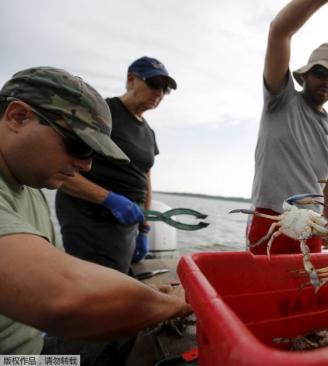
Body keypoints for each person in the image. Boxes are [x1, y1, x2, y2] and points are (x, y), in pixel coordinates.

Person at [0, 67, 190, 357]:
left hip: (33, 352)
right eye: (77, 145)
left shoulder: (31, 189)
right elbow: (61, 298)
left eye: (93, 153)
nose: (87, 166)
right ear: (18, 117)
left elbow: (59, 269)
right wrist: (173, 305)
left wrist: (145, 297)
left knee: (130, 328)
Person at [248, 0, 328, 255]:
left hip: (313, 224)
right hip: (271, 216)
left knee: (308, 289)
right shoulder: (280, 100)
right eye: (320, 72)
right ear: (304, 75)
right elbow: (279, 31)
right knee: (264, 287)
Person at [55, 56, 177, 274]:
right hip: (90, 217)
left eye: (165, 89)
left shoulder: (149, 133)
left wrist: (144, 228)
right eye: (154, 84)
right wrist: (108, 199)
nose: (159, 92)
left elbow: (145, 178)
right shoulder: (101, 114)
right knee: (97, 284)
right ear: (131, 80)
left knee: (121, 278)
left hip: (128, 222)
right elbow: (58, 169)